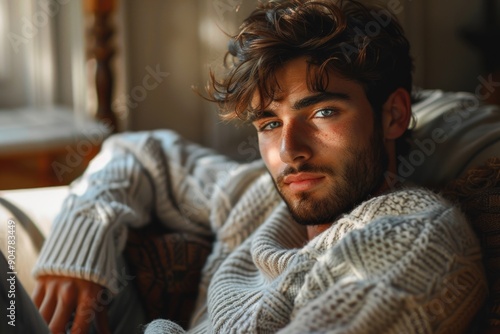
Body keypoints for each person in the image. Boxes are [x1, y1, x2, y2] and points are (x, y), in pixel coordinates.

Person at [28, 0, 487, 333]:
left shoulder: (410, 238)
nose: (289, 150)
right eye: (270, 122)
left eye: (323, 112)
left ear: (393, 115)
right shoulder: (257, 197)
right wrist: (77, 252)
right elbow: (139, 154)